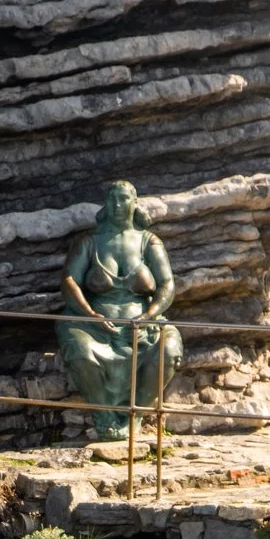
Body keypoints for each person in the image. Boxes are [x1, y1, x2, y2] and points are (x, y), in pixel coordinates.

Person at [57, 180, 183, 438]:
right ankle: (103, 416)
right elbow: (69, 281)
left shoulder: (149, 242)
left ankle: (134, 416)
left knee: (170, 349)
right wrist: (90, 315)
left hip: (143, 328)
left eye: (123, 198)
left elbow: (167, 284)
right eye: (112, 198)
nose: (117, 204)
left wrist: (149, 316)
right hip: (93, 327)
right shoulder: (88, 242)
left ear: (134, 202)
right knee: (79, 349)